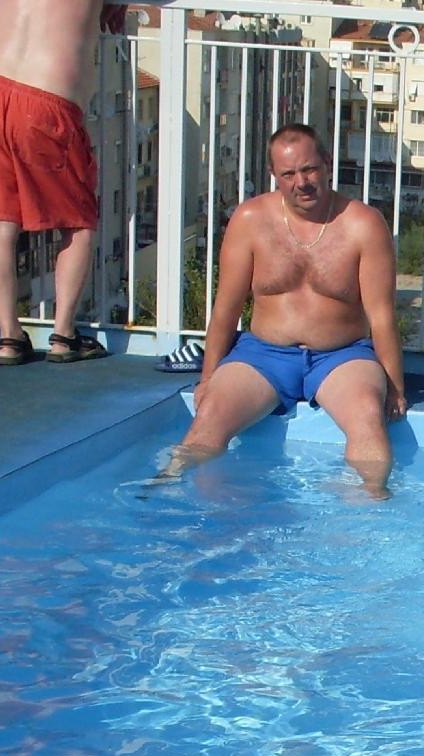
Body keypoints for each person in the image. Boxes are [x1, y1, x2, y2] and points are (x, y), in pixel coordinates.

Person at [166, 124, 407, 496]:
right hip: (262, 354)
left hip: (341, 356)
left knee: (366, 417)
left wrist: (395, 389)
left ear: (327, 164)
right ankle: (165, 490)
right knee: (209, 418)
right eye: (289, 174)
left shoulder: (363, 224)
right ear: (274, 176)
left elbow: (381, 316)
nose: (302, 183)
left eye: (309, 169)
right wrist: (209, 376)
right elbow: (226, 310)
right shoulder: (250, 221)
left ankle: (371, 506)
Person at [0, 0, 128, 367]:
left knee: (2, 220)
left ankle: (9, 337)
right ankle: (64, 334)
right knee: (79, 223)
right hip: (45, 103)